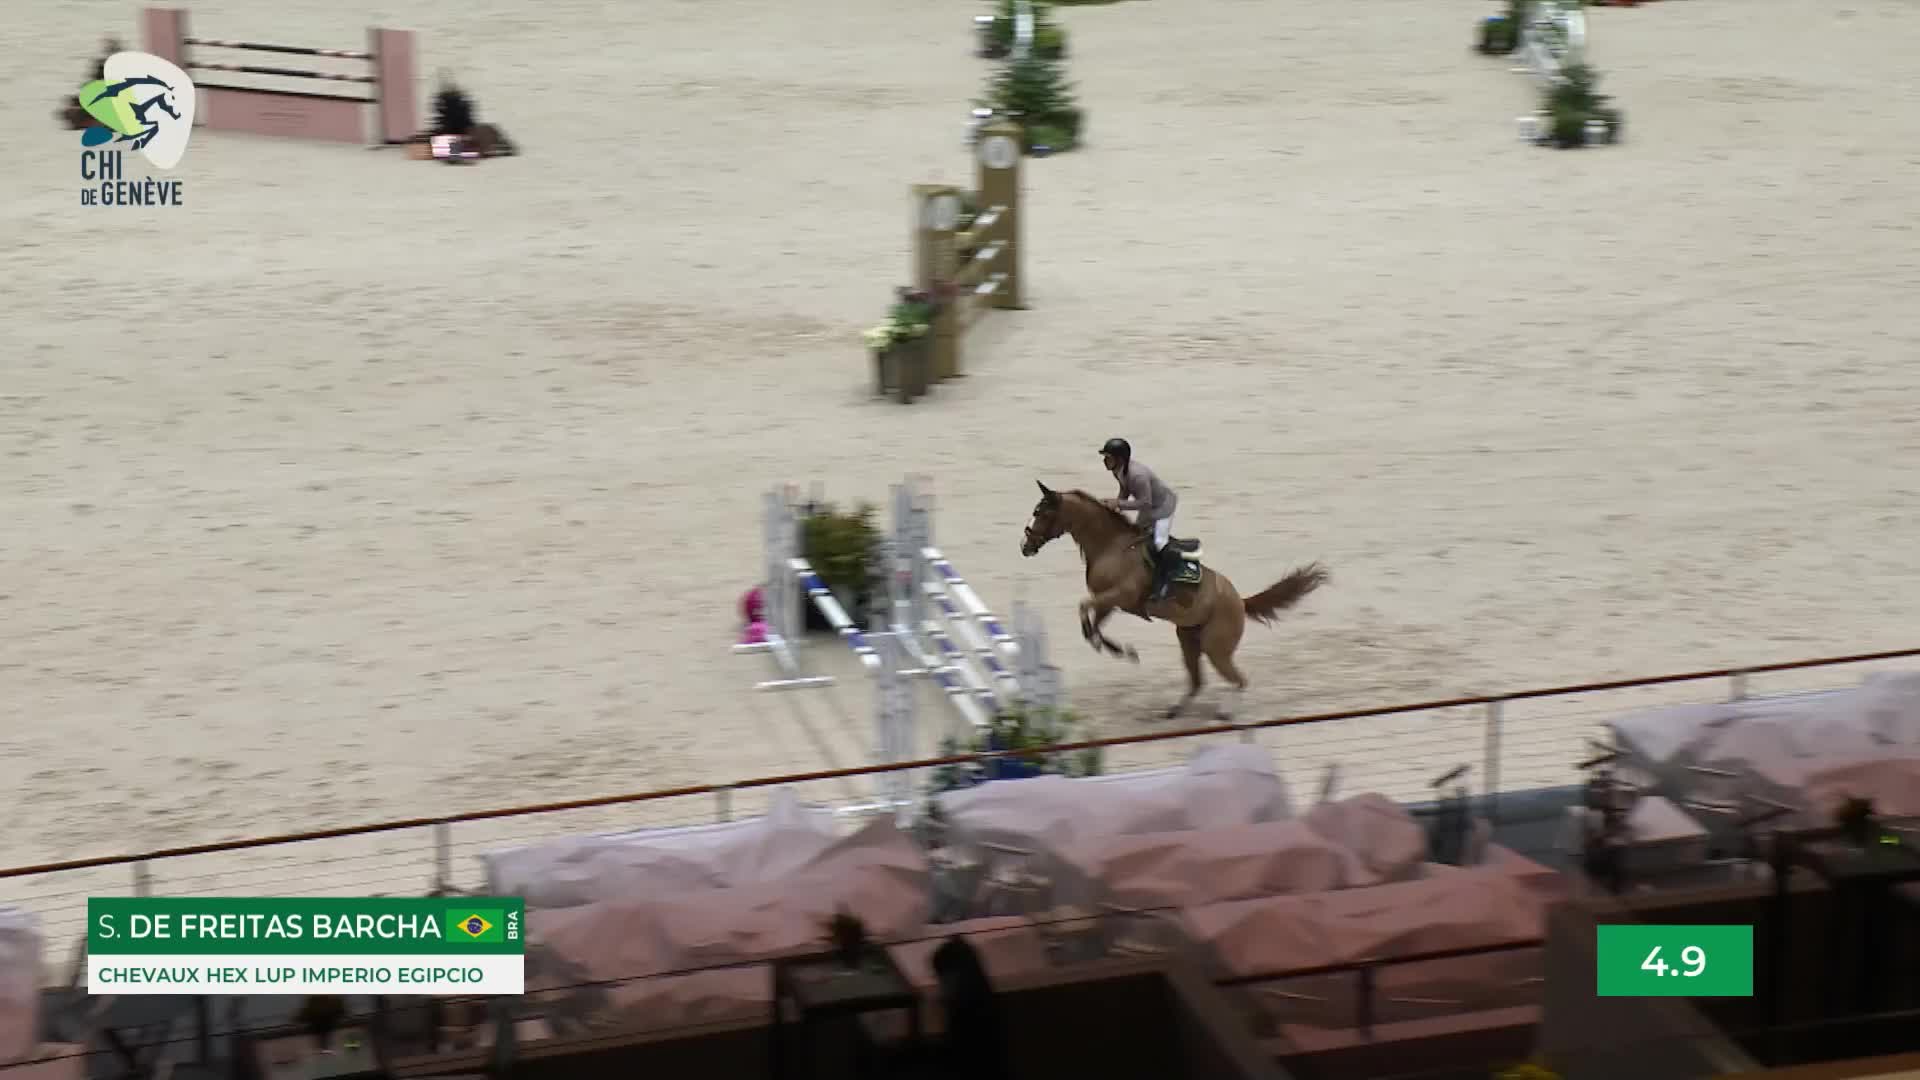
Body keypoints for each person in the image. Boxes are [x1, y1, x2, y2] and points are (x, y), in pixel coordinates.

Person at [1098, 437, 1181, 602]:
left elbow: (1145, 503)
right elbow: (1125, 489)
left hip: (1163, 507)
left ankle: (1166, 583)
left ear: (1119, 459)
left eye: (1108, 457)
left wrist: (1118, 503)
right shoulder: (1118, 470)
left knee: (1158, 543)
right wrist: (1116, 505)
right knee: (1134, 537)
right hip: (1149, 507)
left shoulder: (1138, 475)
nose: (1104, 461)